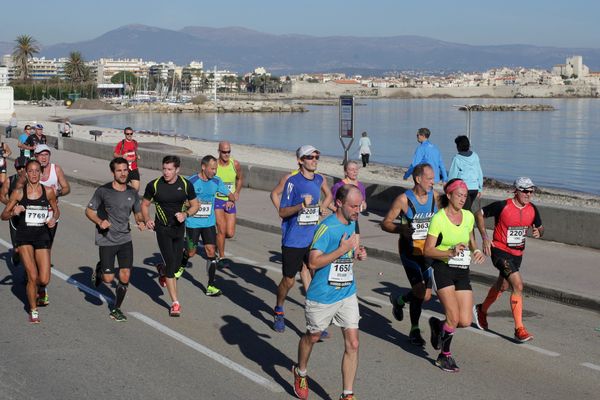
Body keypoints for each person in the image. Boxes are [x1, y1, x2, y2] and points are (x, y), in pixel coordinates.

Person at [292, 184, 367, 400]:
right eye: (353, 206)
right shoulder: (326, 228)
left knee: (353, 343)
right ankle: (301, 371)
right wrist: (342, 250)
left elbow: (347, 256)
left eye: (359, 205)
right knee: (313, 336)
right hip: (323, 295)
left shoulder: (352, 223)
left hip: (346, 292)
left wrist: (357, 253)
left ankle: (347, 394)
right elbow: (313, 262)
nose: (357, 210)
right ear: (339, 204)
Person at [423, 178, 485, 372]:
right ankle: (444, 356)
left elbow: (470, 238)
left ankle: (438, 326)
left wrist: (476, 250)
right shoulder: (439, 218)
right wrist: (449, 252)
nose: (462, 199)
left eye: (465, 196)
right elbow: (427, 250)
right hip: (442, 269)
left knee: (464, 321)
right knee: (453, 316)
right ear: (449, 195)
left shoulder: (468, 216)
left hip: (462, 271)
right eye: (459, 195)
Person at [473, 177, 544, 342]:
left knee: (503, 285)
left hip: (517, 255)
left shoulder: (532, 209)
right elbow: (479, 214)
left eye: (531, 190)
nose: (528, 194)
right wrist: (485, 237)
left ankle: (481, 310)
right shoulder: (503, 206)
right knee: (517, 285)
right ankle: (519, 329)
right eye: (525, 190)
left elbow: (540, 227)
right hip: (499, 251)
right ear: (516, 191)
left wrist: (539, 232)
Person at [273, 145, 332, 333]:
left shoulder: (320, 179)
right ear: (300, 160)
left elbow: (328, 194)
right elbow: (282, 212)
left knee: (316, 276)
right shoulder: (292, 182)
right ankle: (279, 309)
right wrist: (300, 206)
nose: (314, 160)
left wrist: (324, 206)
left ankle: (315, 321)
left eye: (317, 156)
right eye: (310, 157)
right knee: (289, 281)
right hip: (293, 239)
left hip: (313, 238)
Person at [381, 163, 439, 346]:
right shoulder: (403, 200)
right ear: (418, 179)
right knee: (420, 292)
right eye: (429, 178)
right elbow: (386, 223)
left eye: (433, 178)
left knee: (426, 295)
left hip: (428, 252)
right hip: (409, 253)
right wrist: (401, 228)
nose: (433, 182)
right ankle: (414, 329)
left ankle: (399, 300)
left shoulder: (435, 197)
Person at [86, 157, 146, 322]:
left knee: (125, 275)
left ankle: (116, 308)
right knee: (108, 279)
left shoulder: (132, 192)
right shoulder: (103, 191)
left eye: (125, 170)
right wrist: (99, 221)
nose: (123, 173)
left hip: (125, 239)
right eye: (119, 170)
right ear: (113, 172)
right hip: (107, 240)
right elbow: (89, 211)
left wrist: (141, 221)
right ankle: (100, 270)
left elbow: (137, 212)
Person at [1, 159, 59, 323]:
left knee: (44, 279)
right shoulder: (19, 192)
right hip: (25, 236)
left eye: (36, 171)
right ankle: (33, 311)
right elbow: (3, 215)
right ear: (26, 173)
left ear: (41, 173)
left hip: (42, 236)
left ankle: (40, 290)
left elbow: (56, 211)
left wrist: (53, 219)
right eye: (30, 171)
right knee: (32, 276)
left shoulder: (48, 191)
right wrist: (14, 211)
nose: (34, 174)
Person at [141, 155, 199, 317]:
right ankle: (175, 303)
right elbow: (144, 205)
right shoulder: (154, 185)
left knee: (175, 261)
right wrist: (147, 219)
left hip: (179, 229)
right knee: (172, 265)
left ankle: (162, 269)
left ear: (177, 170)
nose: (166, 172)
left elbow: (195, 205)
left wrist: (186, 214)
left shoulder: (186, 185)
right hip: (163, 229)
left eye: (170, 169)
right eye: (164, 169)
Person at [181, 155, 236, 296]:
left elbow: (231, 195)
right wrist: (189, 204)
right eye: (212, 169)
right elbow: (180, 199)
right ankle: (182, 261)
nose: (215, 171)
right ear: (203, 167)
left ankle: (210, 286)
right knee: (191, 252)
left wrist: (231, 201)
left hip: (208, 223)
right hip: (193, 223)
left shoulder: (217, 181)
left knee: (211, 252)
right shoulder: (191, 181)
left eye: (216, 168)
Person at [214, 141, 243, 267]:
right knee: (221, 229)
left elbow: (240, 179)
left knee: (229, 233)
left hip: (230, 200)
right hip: (217, 200)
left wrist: (236, 193)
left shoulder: (235, 164)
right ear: (219, 151)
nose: (226, 154)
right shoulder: (214, 165)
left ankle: (216, 242)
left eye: (228, 152)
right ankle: (222, 256)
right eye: (223, 152)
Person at [1, 156, 28, 266]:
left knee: (30, 248)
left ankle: (28, 275)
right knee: (17, 249)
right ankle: (16, 254)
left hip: (29, 218)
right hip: (15, 219)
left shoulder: (32, 180)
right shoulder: (10, 180)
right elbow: (2, 195)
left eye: (24, 167)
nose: (21, 170)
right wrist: (11, 205)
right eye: (18, 168)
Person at [448, 135, 483, 210]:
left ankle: (469, 221)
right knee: (467, 208)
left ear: (458, 146)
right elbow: (479, 173)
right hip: (474, 188)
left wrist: (449, 188)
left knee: (464, 210)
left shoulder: (457, 158)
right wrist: (480, 188)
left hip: (463, 188)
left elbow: (452, 175)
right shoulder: (475, 156)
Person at [113, 127, 141, 191]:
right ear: (125, 134)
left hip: (134, 169)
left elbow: (135, 152)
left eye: (131, 134)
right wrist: (122, 156)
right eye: (127, 134)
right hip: (124, 170)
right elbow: (115, 154)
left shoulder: (135, 143)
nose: (129, 135)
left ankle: (130, 199)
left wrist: (137, 156)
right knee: (120, 190)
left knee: (136, 189)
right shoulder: (121, 143)